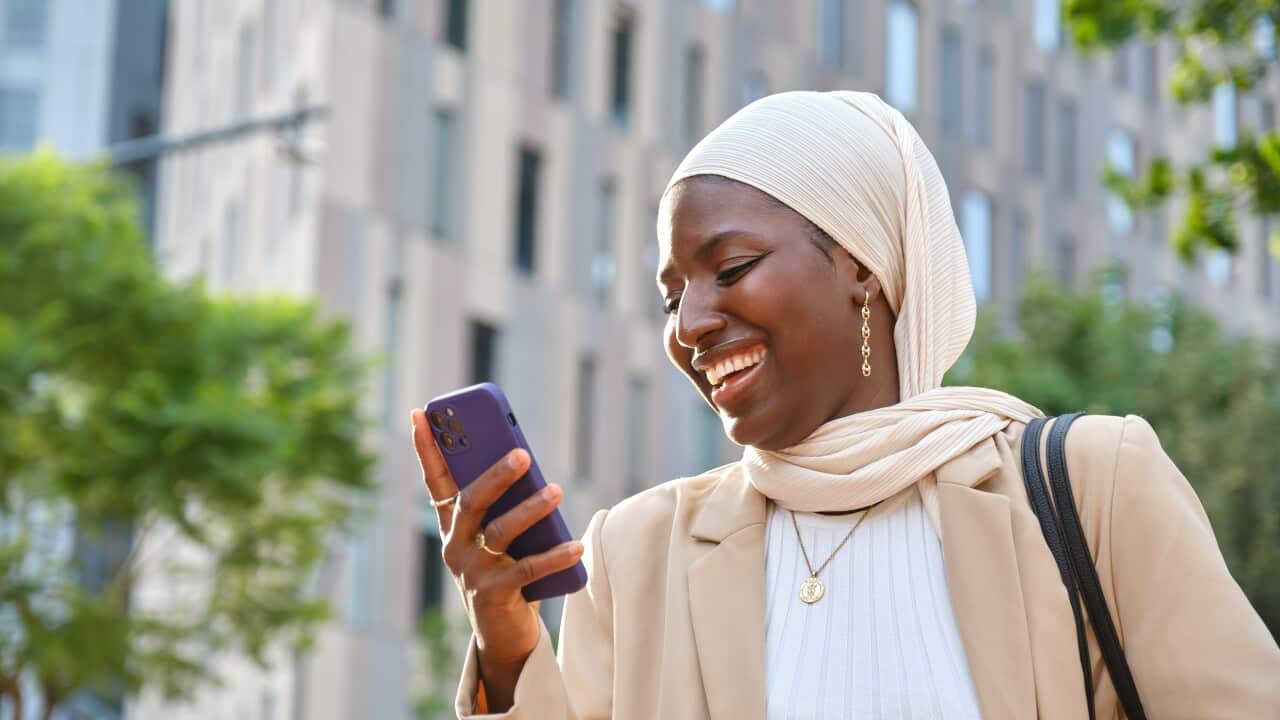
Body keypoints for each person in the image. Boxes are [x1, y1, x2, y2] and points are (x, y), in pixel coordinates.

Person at [409, 91, 1280, 719]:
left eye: (732, 267)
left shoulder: (1090, 484)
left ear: (862, 265)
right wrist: (506, 640)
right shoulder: (636, 555)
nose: (691, 324)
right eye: (671, 295)